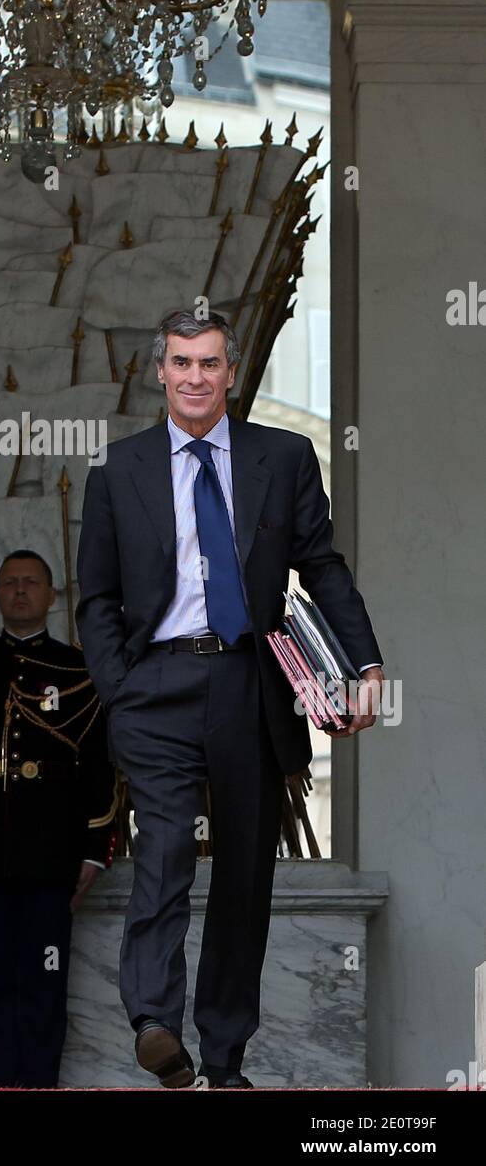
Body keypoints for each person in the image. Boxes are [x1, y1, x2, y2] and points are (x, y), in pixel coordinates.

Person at [75, 309, 385, 1090]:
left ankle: (222, 1061)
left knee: (246, 876)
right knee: (168, 848)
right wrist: (120, 690)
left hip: (251, 682)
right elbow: (96, 599)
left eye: (209, 363)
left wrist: (366, 664)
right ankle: (152, 1020)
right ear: (159, 372)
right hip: (155, 687)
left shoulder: (282, 458)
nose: (194, 377)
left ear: (231, 373)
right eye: (181, 363)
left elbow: (323, 566)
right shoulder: (119, 470)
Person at [0, 549, 118, 1088]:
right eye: (9, 583)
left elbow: (98, 767)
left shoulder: (80, 669)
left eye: (30, 582)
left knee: (44, 983)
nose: (19, 591)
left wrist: (93, 849)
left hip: (53, 854)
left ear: (51, 596)